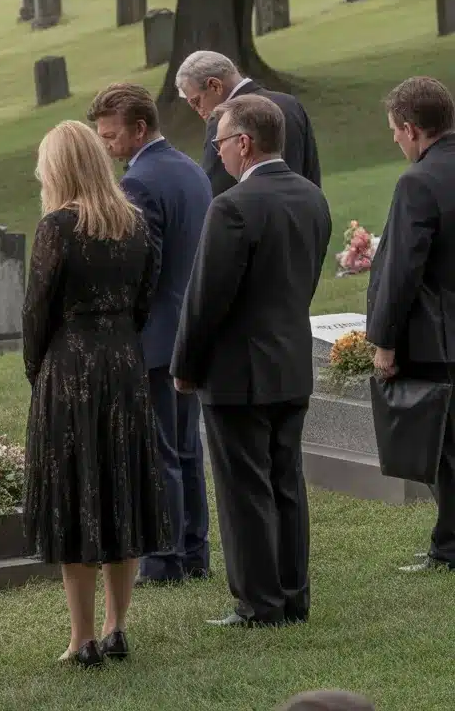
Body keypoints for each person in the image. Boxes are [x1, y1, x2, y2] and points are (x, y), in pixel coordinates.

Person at [172, 94, 332, 627]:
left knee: (244, 490)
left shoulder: (233, 206)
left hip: (238, 369)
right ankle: (294, 594)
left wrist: (185, 364)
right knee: (286, 482)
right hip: (290, 359)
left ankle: (259, 604)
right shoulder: (312, 196)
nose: (217, 154)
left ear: (244, 143)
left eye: (219, 143)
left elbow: (206, 298)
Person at [23, 119, 171, 668]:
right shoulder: (133, 224)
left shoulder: (57, 227)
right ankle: (117, 626)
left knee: (78, 493)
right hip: (124, 363)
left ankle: (81, 636)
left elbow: (37, 310)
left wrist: (37, 369)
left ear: (57, 168)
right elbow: (145, 299)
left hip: (71, 364)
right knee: (121, 486)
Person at [88, 83, 214, 588]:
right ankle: (193, 550)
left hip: (156, 334)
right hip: (192, 326)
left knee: (159, 448)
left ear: (140, 128)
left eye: (112, 135)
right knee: (186, 445)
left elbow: (146, 267)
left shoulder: (137, 183)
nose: (107, 146)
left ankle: (163, 560)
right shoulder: (192, 171)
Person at [365, 76, 455, 573]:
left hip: (440, 336)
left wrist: (383, 341)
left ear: (411, 128)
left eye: (395, 131)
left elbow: (400, 269)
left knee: (445, 449)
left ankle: (449, 547)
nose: (395, 140)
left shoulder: (418, 181)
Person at [174, 50, 321, 196]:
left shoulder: (223, 121)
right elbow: (311, 174)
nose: (200, 112)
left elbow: (212, 191)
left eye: (197, 102)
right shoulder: (291, 104)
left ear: (215, 86)